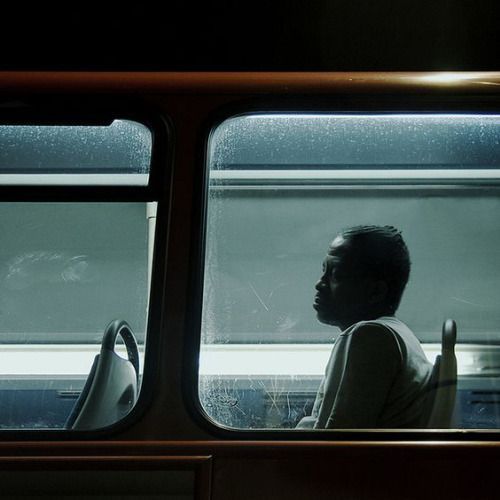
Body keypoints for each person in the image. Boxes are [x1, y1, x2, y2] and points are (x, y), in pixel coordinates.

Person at [296, 225, 433, 429]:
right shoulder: (399, 335)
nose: (320, 283)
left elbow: (336, 442)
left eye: (336, 275)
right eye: (324, 271)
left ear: (375, 291)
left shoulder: (371, 336)